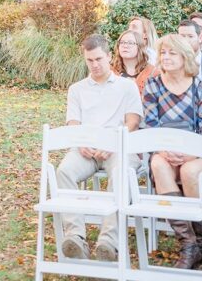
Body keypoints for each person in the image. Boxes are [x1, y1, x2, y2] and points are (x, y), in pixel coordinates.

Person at [56, 33, 142, 262]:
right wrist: (80, 141)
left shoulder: (127, 86)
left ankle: (108, 242)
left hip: (118, 147)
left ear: (109, 57)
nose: (94, 65)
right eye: (89, 61)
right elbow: (73, 121)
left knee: (120, 172)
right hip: (87, 149)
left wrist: (112, 142)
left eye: (98, 59)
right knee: (63, 171)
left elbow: (133, 121)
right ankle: (75, 236)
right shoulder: (77, 89)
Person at [143, 34, 202, 269]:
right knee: (157, 164)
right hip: (165, 150)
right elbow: (151, 125)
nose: (165, 57)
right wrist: (164, 150)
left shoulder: (201, 85)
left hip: (197, 153)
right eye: (162, 53)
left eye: (171, 53)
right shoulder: (153, 85)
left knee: (189, 171)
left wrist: (189, 154)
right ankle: (188, 244)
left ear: (185, 56)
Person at [111, 30, 154, 96]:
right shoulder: (109, 71)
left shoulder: (152, 72)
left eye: (130, 43)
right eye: (122, 42)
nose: (125, 46)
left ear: (139, 47)